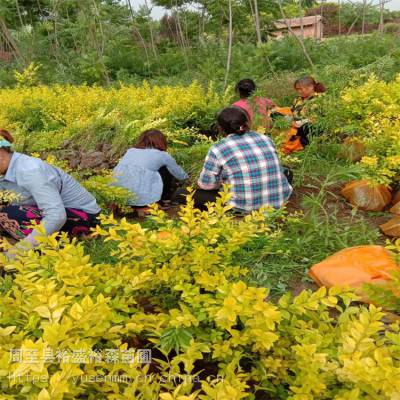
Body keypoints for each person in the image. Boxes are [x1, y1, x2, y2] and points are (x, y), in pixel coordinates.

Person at [173, 107, 292, 211]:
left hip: (243, 206)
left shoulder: (218, 148)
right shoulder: (265, 138)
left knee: (181, 194)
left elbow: (206, 185)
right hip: (278, 200)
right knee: (286, 171)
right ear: (248, 122)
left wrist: (221, 182)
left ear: (220, 128)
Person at [0, 129, 101, 248]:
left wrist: (20, 250)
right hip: (58, 212)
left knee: (7, 214)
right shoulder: (6, 170)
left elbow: (56, 215)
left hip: (85, 219)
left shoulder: (29, 170)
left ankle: (38, 250)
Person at [113, 129, 188, 207]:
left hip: (118, 194)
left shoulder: (131, 151)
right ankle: (164, 198)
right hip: (142, 197)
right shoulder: (162, 155)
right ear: (161, 141)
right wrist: (188, 179)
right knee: (165, 170)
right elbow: (179, 174)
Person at [281, 76, 326, 154]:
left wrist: (302, 122)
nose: (299, 91)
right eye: (297, 89)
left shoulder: (320, 98)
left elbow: (320, 117)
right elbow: (291, 111)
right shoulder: (297, 99)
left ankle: (304, 146)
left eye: (301, 89)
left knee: (306, 127)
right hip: (295, 124)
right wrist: (287, 118)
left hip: (311, 125)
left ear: (311, 87)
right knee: (276, 115)